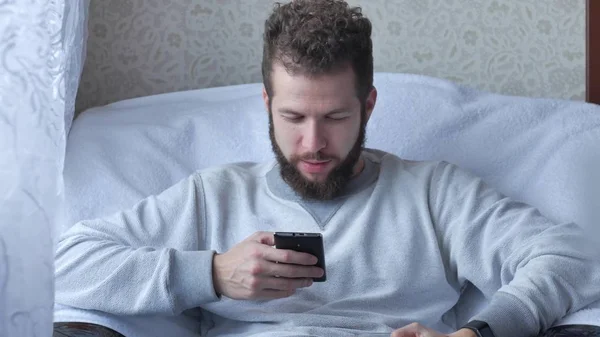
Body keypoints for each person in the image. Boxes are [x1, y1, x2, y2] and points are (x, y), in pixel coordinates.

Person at [54, 1, 600, 337]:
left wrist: (478, 333)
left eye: (336, 116)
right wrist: (212, 273)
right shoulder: (213, 196)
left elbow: (572, 257)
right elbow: (67, 266)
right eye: (293, 117)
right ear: (266, 105)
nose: (312, 144)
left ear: (368, 106)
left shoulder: (435, 193)